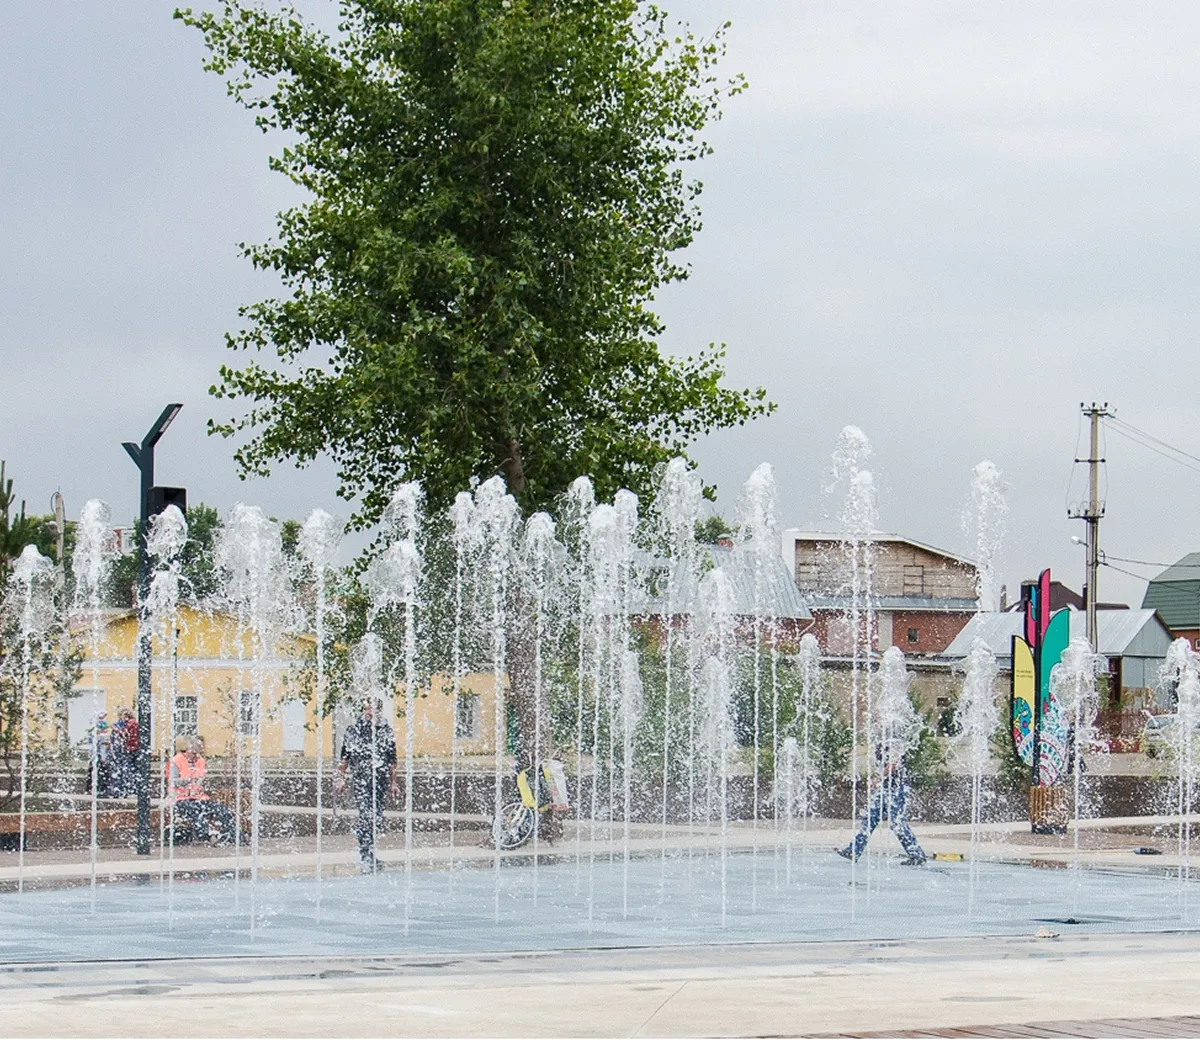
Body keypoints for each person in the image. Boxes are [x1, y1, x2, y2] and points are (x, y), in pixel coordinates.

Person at [837, 741, 927, 866]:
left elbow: (895, 763)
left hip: (897, 788)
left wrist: (878, 778)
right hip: (884, 788)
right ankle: (853, 851)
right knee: (870, 818)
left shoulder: (893, 739)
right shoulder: (879, 741)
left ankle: (917, 854)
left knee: (896, 823)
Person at [335, 698, 397, 873]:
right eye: (367, 709)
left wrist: (393, 783)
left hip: (380, 781)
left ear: (380, 712)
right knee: (365, 815)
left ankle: (370, 852)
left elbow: (392, 762)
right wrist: (341, 779)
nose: (370, 712)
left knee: (376, 817)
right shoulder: (353, 731)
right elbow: (344, 759)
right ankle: (366, 855)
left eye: (374, 709)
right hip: (361, 780)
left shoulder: (386, 731)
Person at [168, 739, 235, 845]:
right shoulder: (176, 761)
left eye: (199, 753)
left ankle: (233, 835)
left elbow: (202, 779)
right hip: (180, 799)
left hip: (199, 797)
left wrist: (205, 784)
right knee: (195, 813)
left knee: (221, 809)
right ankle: (208, 836)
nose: (197, 756)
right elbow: (172, 782)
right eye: (194, 753)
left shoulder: (201, 761)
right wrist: (188, 781)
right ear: (187, 750)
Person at [111, 707, 139, 796]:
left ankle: (129, 790)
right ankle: (131, 789)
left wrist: (115, 729)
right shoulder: (134, 722)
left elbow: (125, 735)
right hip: (134, 748)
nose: (120, 718)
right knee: (131, 769)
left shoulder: (130, 724)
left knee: (128, 769)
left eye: (121, 716)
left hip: (131, 749)